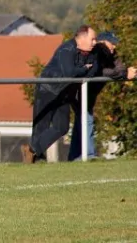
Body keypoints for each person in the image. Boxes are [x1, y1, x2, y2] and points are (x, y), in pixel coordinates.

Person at [21, 25, 98, 164]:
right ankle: (36, 158)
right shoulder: (66, 49)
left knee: (61, 127)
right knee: (41, 126)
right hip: (47, 90)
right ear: (82, 38)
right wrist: (83, 69)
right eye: (92, 39)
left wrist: (82, 70)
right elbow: (69, 73)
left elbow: (93, 70)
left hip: (63, 94)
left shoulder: (90, 53)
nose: (95, 43)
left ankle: (32, 150)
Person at [67, 31, 137, 161]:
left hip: (88, 94)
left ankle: (74, 157)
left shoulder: (111, 54)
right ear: (102, 42)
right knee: (86, 120)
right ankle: (88, 155)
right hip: (78, 91)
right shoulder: (95, 51)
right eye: (112, 43)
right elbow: (99, 71)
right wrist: (124, 74)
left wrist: (124, 73)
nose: (114, 47)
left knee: (80, 123)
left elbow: (119, 69)